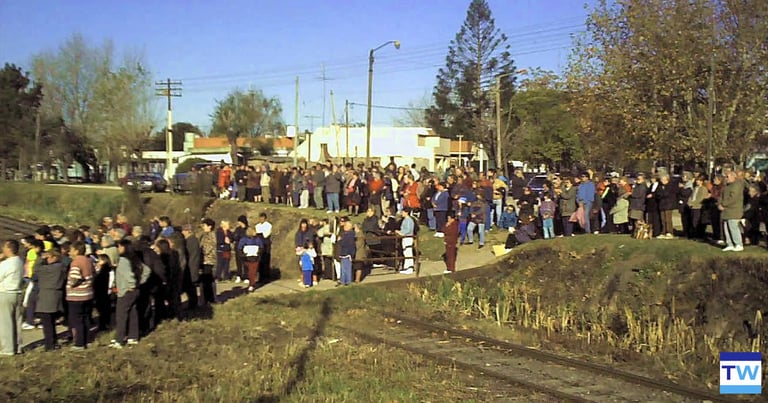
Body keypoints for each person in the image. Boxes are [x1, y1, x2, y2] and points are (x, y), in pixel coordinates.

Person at [110, 240, 142, 348]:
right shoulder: (133, 259)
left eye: (119, 247)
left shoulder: (123, 261)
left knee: (121, 315)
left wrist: (132, 284)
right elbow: (145, 270)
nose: (118, 249)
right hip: (133, 290)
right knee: (133, 313)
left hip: (126, 291)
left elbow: (128, 275)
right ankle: (133, 337)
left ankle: (119, 339)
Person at [33, 248, 66, 351]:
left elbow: (36, 269)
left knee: (47, 323)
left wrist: (40, 258)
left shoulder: (50, 269)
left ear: (55, 257)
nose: (47, 259)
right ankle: (53, 342)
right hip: (56, 295)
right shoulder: (62, 267)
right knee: (51, 321)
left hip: (47, 296)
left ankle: (49, 345)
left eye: (49, 257)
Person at [66, 241, 94, 350]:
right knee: (86, 317)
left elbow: (74, 279)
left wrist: (70, 284)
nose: (70, 252)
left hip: (77, 295)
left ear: (76, 251)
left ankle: (79, 343)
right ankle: (88, 339)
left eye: (71, 250)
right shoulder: (89, 261)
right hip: (88, 293)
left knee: (77, 320)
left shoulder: (76, 263)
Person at [0, 240, 24, 355]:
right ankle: (18, 346)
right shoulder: (19, 261)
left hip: (6, 292)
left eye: (4, 247)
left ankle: (8, 349)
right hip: (17, 292)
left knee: (5, 322)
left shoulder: (6, 263)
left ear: (9, 249)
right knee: (16, 321)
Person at [719, 170, 745, 252]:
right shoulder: (726, 186)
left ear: (734, 176)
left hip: (734, 210)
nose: (726, 178)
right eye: (726, 176)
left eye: (728, 176)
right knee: (726, 227)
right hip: (726, 210)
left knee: (733, 227)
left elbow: (733, 198)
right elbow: (721, 196)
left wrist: (723, 204)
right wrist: (719, 204)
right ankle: (729, 244)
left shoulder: (737, 185)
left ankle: (738, 244)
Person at [181, 224, 200, 310]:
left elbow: (188, 253)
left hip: (191, 265)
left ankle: (193, 305)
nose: (182, 232)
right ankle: (192, 304)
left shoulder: (190, 241)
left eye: (184, 230)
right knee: (190, 287)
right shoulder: (193, 240)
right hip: (192, 264)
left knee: (190, 287)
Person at [199, 219, 217, 304]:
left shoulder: (211, 235)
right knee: (205, 280)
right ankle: (206, 298)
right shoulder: (204, 235)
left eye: (204, 225)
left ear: (209, 226)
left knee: (208, 280)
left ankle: (210, 299)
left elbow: (208, 247)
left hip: (208, 260)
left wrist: (202, 252)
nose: (203, 227)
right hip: (204, 260)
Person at [396, 209, 416, 274]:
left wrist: (401, 232)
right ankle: (406, 267)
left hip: (408, 237)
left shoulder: (409, 220)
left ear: (407, 212)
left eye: (403, 212)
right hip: (404, 238)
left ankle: (410, 267)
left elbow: (408, 230)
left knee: (408, 252)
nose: (402, 213)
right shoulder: (405, 220)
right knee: (405, 252)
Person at [255, 213, 273, 282]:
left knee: (266, 260)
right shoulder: (257, 226)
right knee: (260, 260)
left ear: (265, 219)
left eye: (262, 218)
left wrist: (260, 234)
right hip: (259, 243)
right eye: (260, 218)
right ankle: (260, 277)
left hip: (266, 243)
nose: (261, 220)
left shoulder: (268, 225)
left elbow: (266, 235)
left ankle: (266, 277)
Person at [338, 221, 356, 285]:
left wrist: (340, 240)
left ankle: (347, 281)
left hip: (347, 253)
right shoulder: (346, 234)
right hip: (344, 253)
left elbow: (345, 243)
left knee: (346, 269)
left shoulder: (350, 234)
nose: (344, 226)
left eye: (345, 225)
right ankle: (343, 281)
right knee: (343, 268)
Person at [232, 215, 248, 284]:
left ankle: (246, 277)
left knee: (246, 263)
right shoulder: (238, 229)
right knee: (238, 263)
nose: (238, 223)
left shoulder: (247, 229)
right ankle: (239, 276)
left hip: (246, 247)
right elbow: (234, 237)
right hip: (238, 247)